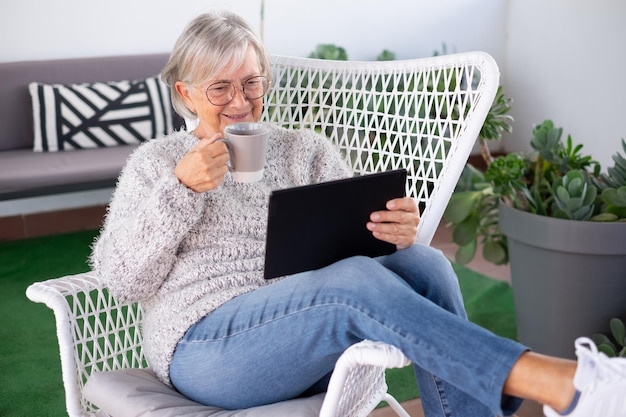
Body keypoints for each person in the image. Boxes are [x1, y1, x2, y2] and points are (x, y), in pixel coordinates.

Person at [90, 10, 626, 417]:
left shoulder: (306, 150)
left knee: (427, 264)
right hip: (205, 349)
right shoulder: (158, 163)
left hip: (303, 332)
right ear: (185, 93)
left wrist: (394, 233)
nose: (240, 100)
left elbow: (351, 241)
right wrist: (180, 190)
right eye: (220, 87)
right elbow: (122, 279)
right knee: (350, 281)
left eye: (252, 81)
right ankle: (556, 381)